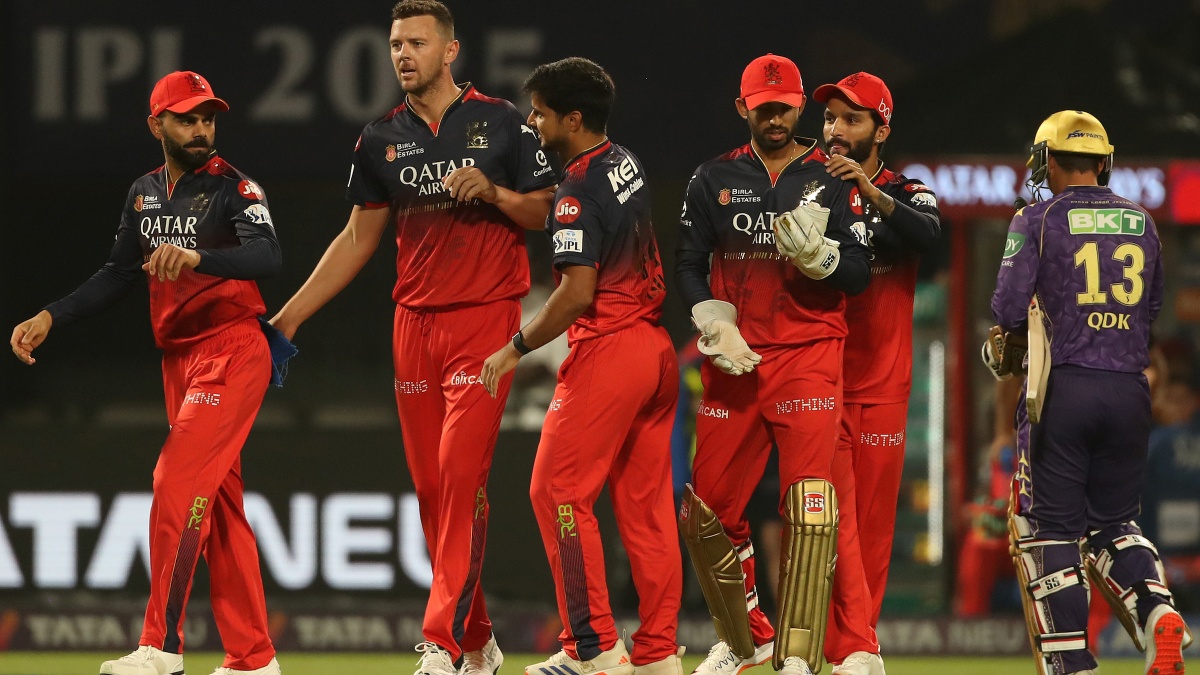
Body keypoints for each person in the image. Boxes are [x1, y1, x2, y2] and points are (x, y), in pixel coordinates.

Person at [267, 2, 555, 674]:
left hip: (485, 320)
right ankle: (479, 635)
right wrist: (289, 316)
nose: (403, 54)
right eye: (395, 44)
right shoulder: (378, 139)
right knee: (432, 491)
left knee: (459, 476)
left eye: (417, 43)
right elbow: (357, 238)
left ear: (450, 51)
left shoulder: (502, 123)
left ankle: (441, 640)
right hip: (413, 327)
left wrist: (493, 193)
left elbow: (546, 209)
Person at [9, 71, 283, 675]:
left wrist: (199, 257)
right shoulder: (143, 194)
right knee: (219, 508)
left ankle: (161, 648)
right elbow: (117, 273)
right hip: (180, 358)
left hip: (233, 348)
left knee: (175, 481)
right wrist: (52, 315)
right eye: (187, 118)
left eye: (208, 117)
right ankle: (254, 659)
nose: (201, 129)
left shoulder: (235, 188)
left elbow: (268, 255)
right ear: (157, 124)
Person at [479, 56, 682, 675]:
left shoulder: (576, 190)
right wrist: (503, 195)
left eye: (539, 112)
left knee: (556, 490)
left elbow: (575, 292)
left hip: (610, 350)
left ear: (573, 117)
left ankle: (591, 648)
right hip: (655, 351)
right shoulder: (623, 162)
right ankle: (657, 653)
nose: (532, 123)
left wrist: (514, 346)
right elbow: (569, 212)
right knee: (645, 511)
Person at [675, 53, 871, 675]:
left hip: (809, 353)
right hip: (734, 360)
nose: (777, 117)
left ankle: (799, 653)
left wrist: (823, 262)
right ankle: (749, 636)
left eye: (785, 106)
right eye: (765, 109)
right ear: (744, 109)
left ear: (799, 107)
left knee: (811, 507)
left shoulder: (834, 176)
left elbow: (861, 274)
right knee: (707, 513)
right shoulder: (711, 178)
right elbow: (686, 264)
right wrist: (712, 320)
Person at [986, 110, 1192, 675]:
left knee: (1048, 533)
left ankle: (1071, 662)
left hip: (1062, 390)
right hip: (1129, 389)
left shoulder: (1037, 218)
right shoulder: (1144, 222)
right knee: (1116, 526)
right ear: (1104, 163)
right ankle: (1157, 613)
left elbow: (1005, 310)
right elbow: (1152, 313)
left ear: (1048, 161)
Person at [810, 71, 941, 675]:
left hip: (883, 384)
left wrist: (869, 192)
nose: (835, 130)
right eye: (831, 118)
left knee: (872, 532)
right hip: (817, 377)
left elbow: (927, 237)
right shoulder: (807, 183)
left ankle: (852, 649)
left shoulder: (909, 189)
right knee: (825, 526)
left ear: (882, 129)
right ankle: (853, 648)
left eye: (851, 120)